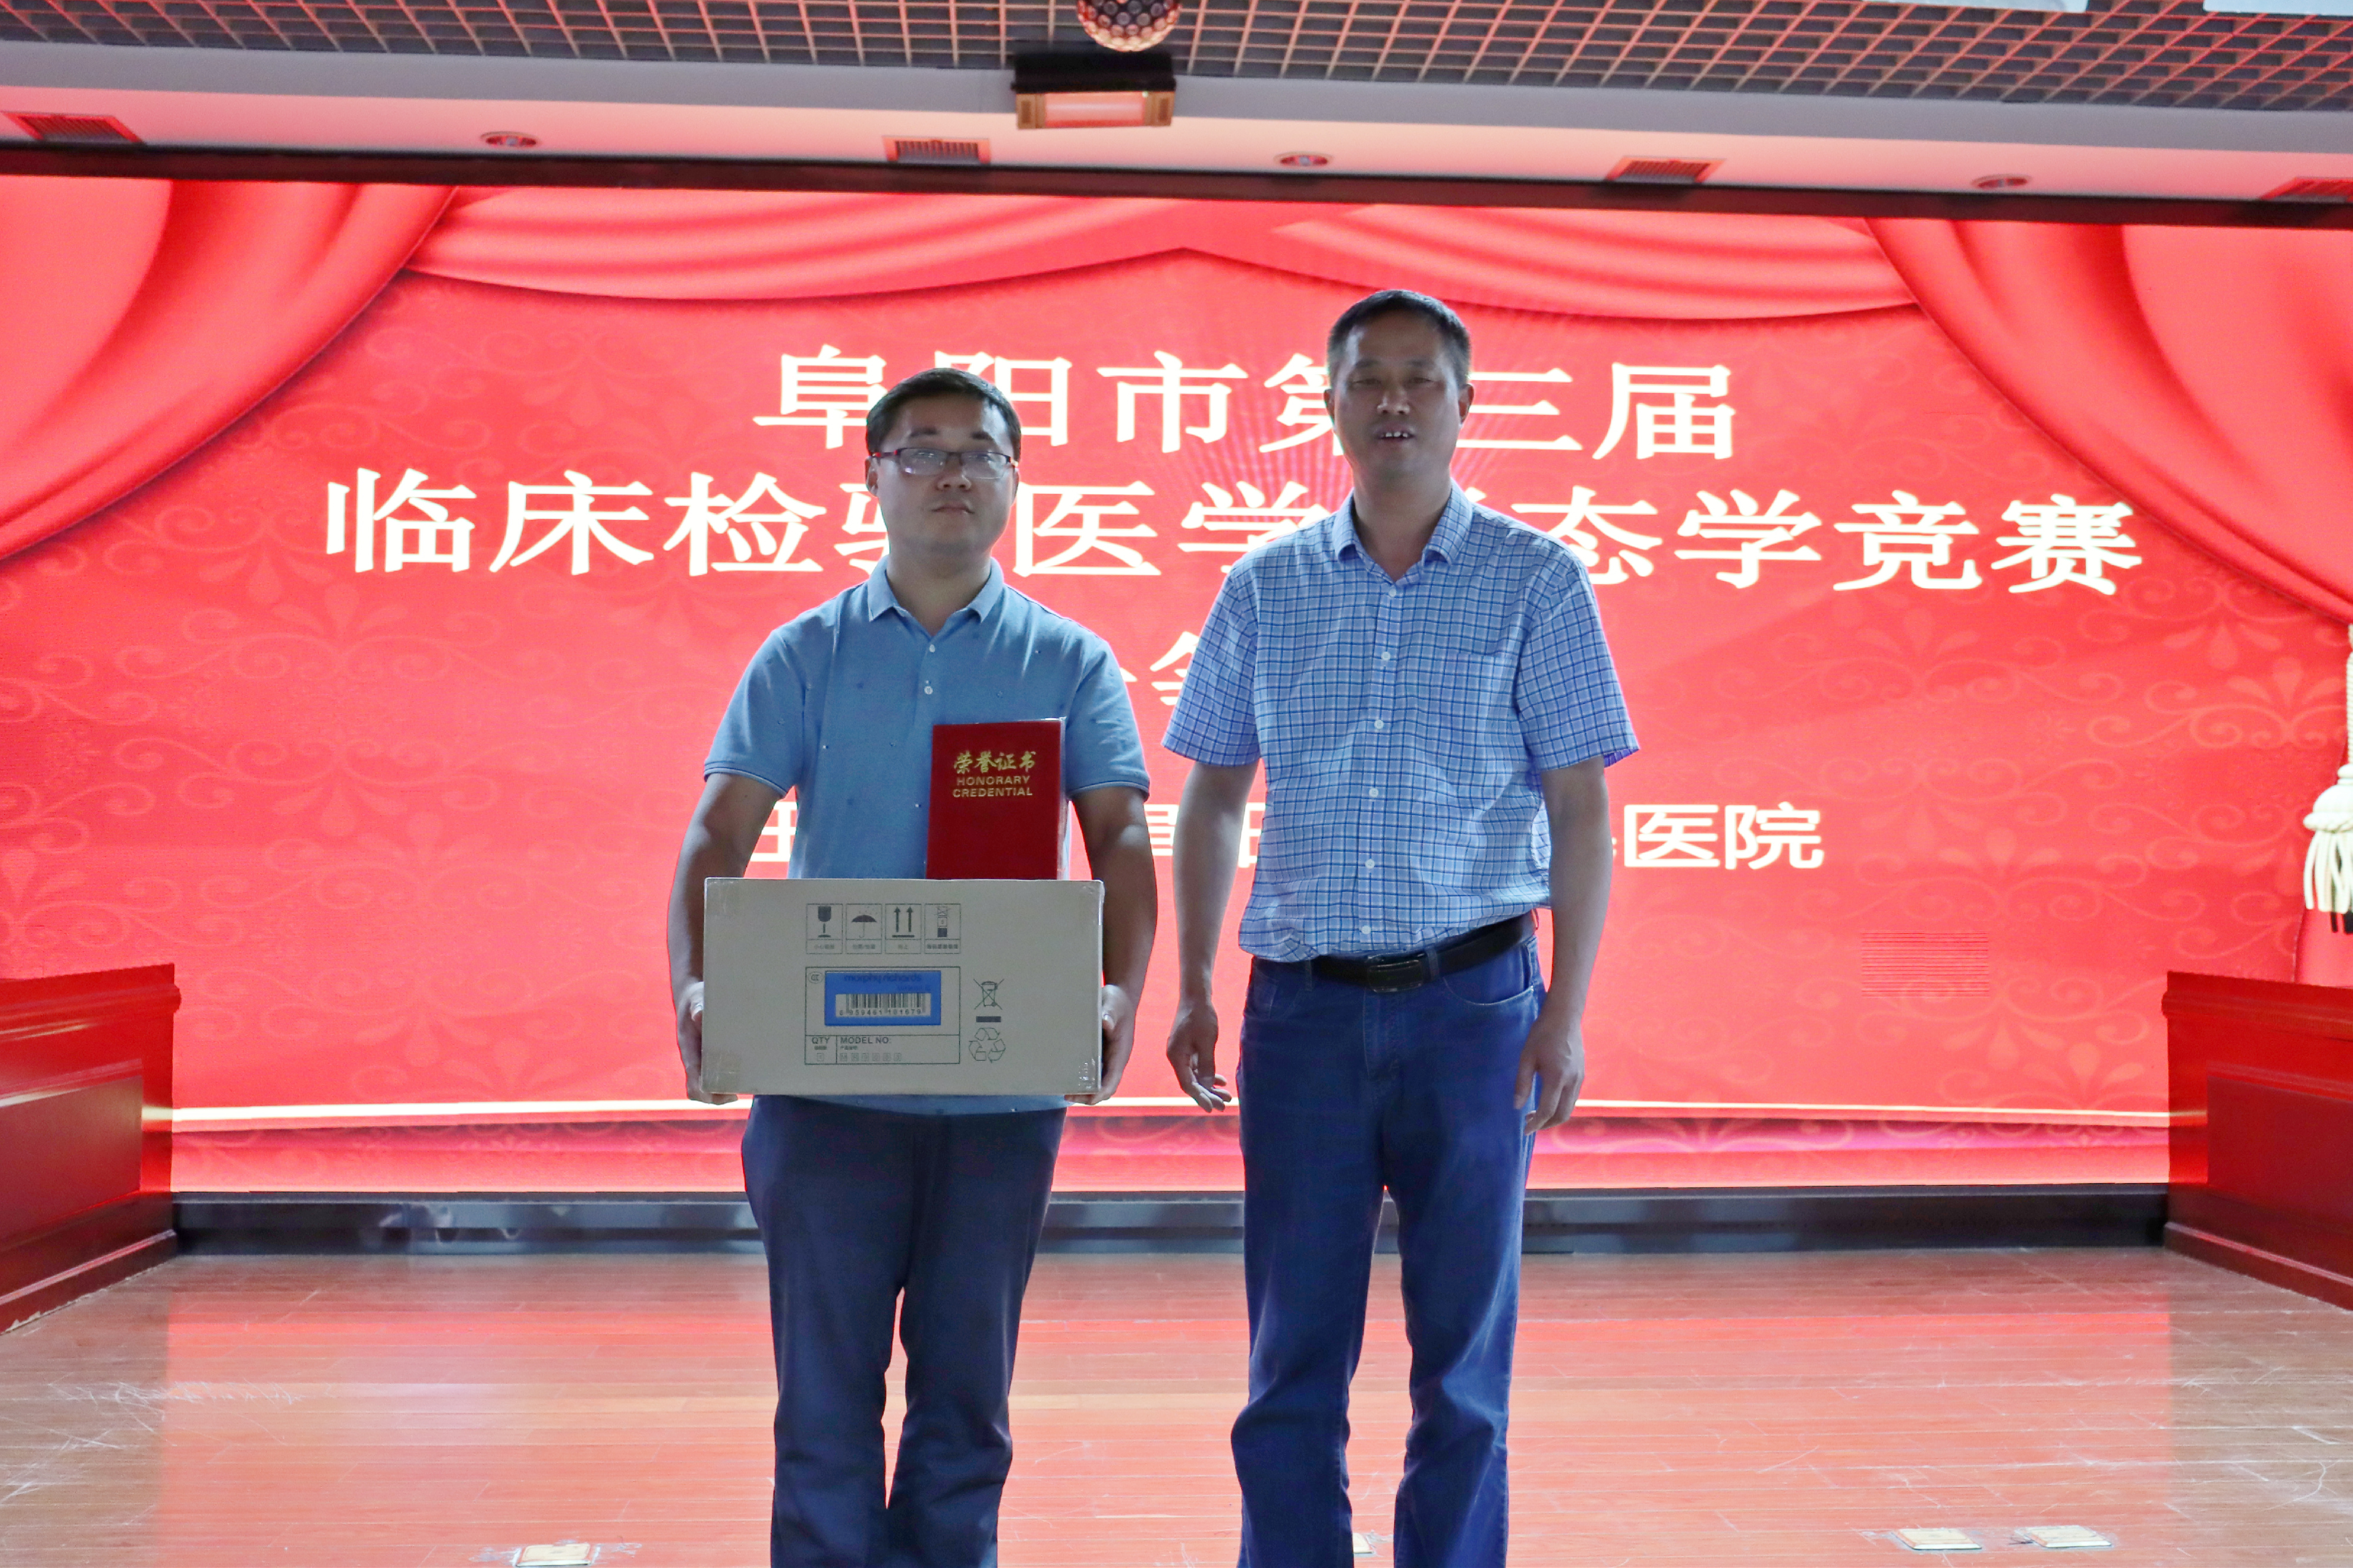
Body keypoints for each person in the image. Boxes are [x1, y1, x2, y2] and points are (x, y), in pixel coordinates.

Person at [1161, 291, 1636, 1568]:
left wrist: (1565, 1011)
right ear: (1327, 406)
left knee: (1464, 1363)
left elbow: (1580, 808)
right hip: (1302, 1012)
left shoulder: (1538, 579)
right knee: (1290, 1356)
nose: (1394, 403)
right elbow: (1213, 794)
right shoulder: (1264, 586)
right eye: (1367, 379)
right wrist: (1194, 983)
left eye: (1422, 380)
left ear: (1465, 406)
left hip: (1474, 1010)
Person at [666, 366, 1156, 1568]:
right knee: (823, 1403)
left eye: (979, 451)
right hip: (826, 1094)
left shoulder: (1068, 659)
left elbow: (1120, 841)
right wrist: (698, 988)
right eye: (923, 450)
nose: (952, 473)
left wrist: (1114, 995)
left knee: (967, 1403)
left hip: (1000, 1097)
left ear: (1014, 480)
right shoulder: (805, 653)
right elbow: (718, 835)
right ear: (872, 476)